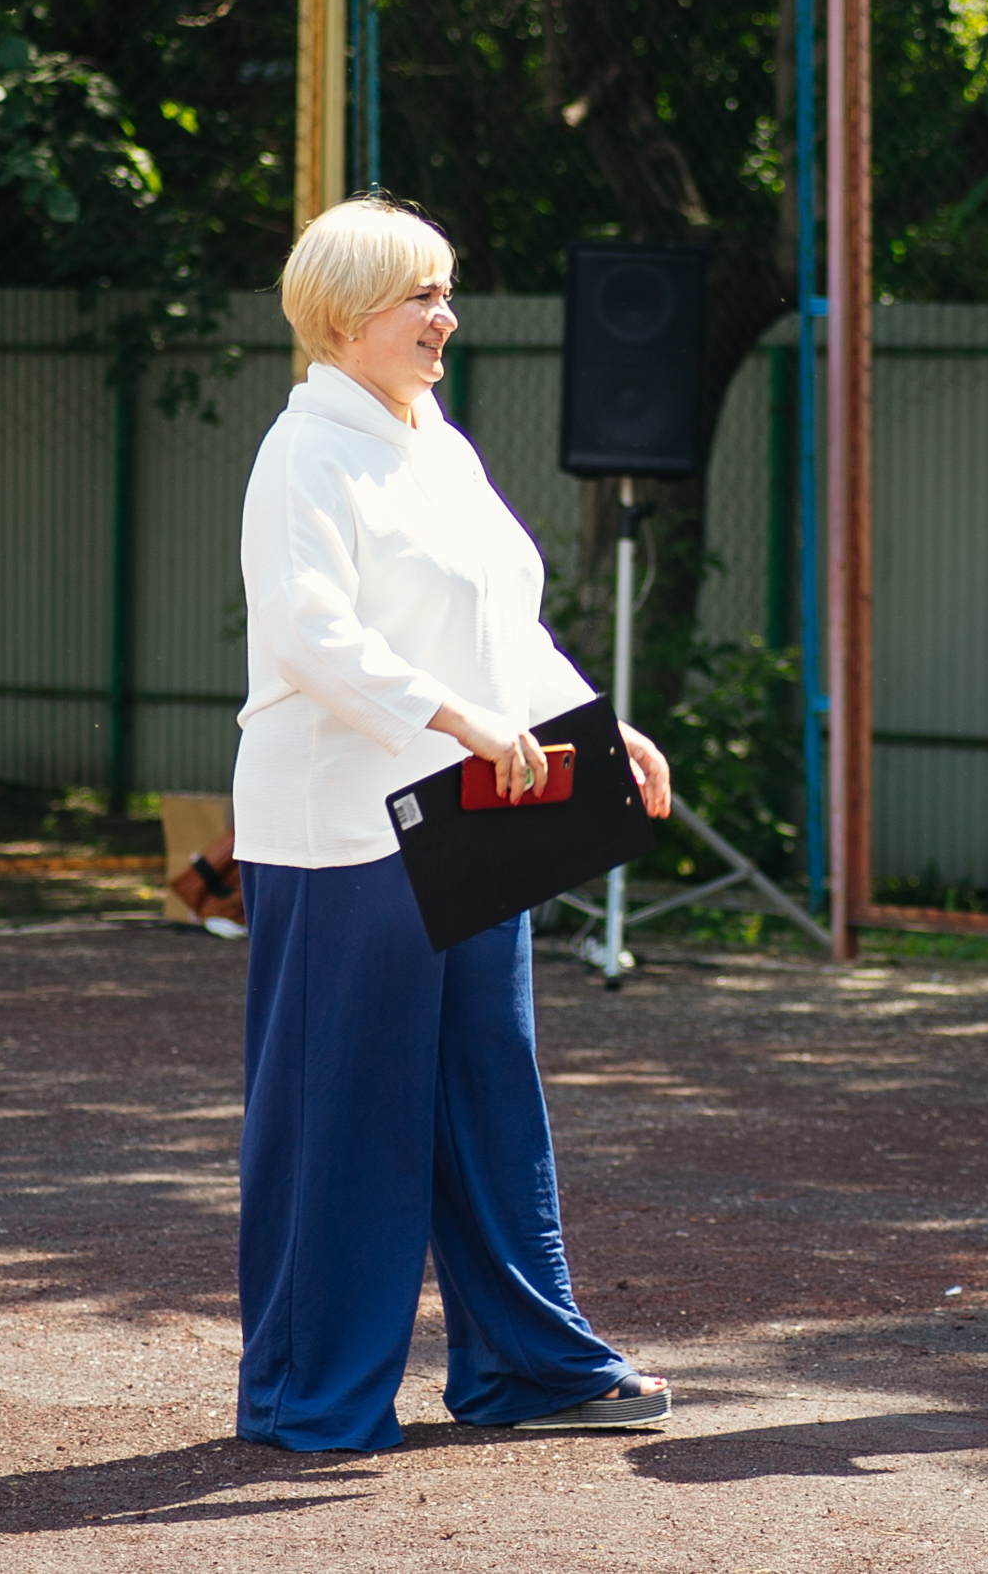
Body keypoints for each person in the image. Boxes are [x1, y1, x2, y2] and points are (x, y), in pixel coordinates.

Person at [231, 195, 676, 1451]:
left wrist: (598, 725)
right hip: (340, 834)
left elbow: (503, 627)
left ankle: (526, 1367)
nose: (446, 315)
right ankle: (308, 1395)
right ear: (342, 313)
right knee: (344, 1112)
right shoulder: (303, 449)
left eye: (445, 289)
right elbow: (312, 635)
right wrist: (457, 721)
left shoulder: (437, 440)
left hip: (467, 817)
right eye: (420, 294)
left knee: (490, 1096)